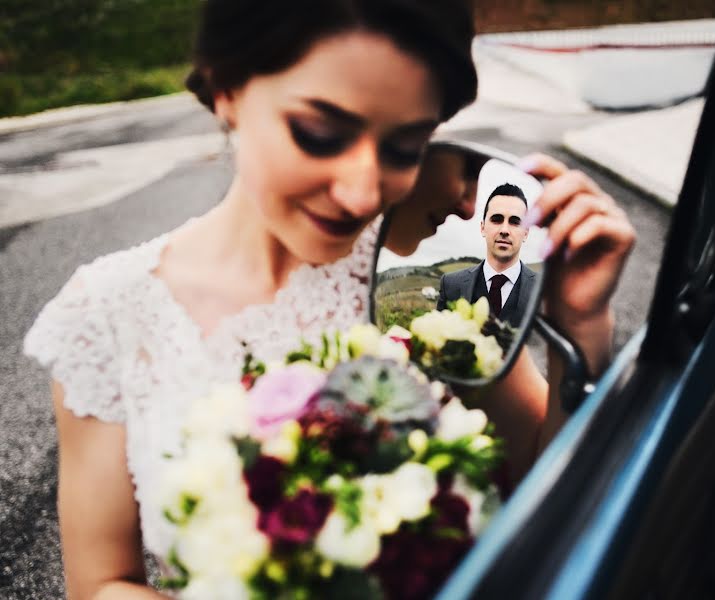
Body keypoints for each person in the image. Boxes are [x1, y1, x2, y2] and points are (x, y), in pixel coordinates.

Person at [22, 1, 635, 597]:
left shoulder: (414, 269)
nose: (361, 191)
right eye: (320, 133)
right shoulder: (106, 314)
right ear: (227, 87)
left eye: (405, 147)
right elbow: (104, 581)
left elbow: (542, 480)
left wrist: (580, 327)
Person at [435, 183, 536, 328]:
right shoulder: (451, 285)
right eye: (497, 219)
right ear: (482, 228)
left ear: (525, 232)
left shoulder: (544, 292)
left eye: (515, 222)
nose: (504, 230)